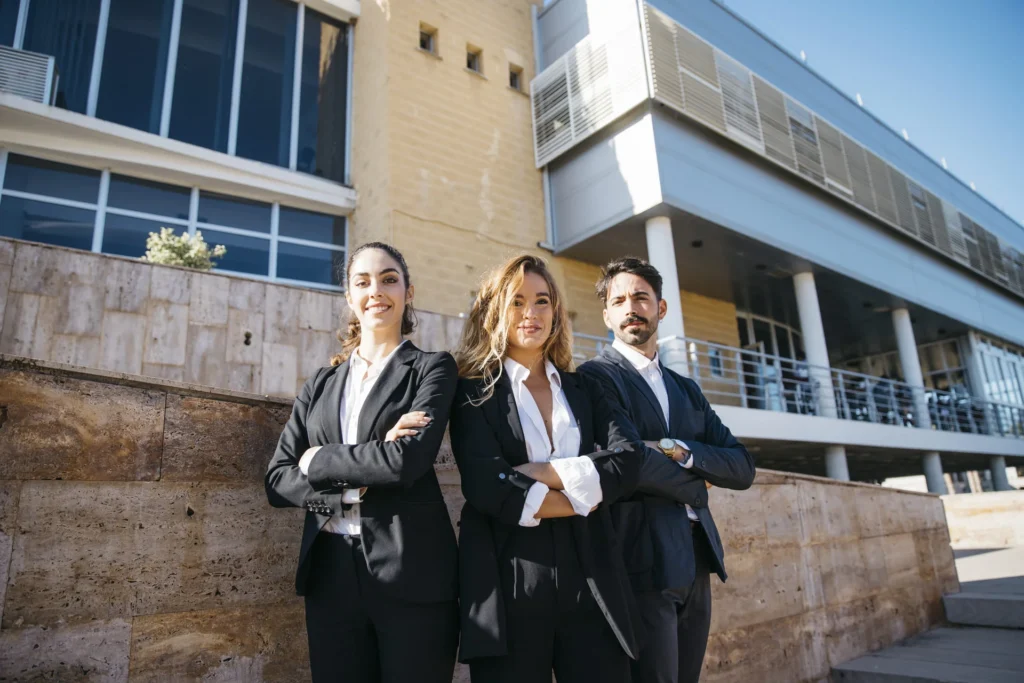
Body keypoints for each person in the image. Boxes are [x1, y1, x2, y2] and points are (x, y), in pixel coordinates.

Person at [265, 242, 459, 683]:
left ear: (409, 293)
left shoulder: (432, 369)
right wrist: (360, 476)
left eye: (389, 279)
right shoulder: (321, 382)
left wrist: (316, 459)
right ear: (349, 297)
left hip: (412, 572)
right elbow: (277, 480)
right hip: (330, 574)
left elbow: (406, 461)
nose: (377, 290)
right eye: (363, 281)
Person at [449, 254, 644, 683]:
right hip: (510, 575)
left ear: (556, 311)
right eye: (516, 302)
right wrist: (587, 494)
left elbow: (628, 459)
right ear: (494, 310)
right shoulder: (473, 392)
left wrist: (537, 471)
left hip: (592, 572)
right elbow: (486, 486)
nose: (531, 313)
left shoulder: (586, 386)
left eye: (542, 301)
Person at [579, 257, 755, 683]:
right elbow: (631, 462)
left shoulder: (686, 388)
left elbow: (742, 466)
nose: (630, 307)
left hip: (698, 556)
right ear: (606, 315)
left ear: (660, 308)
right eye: (618, 300)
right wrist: (699, 486)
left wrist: (680, 450)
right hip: (643, 554)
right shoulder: (596, 376)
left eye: (640, 297)